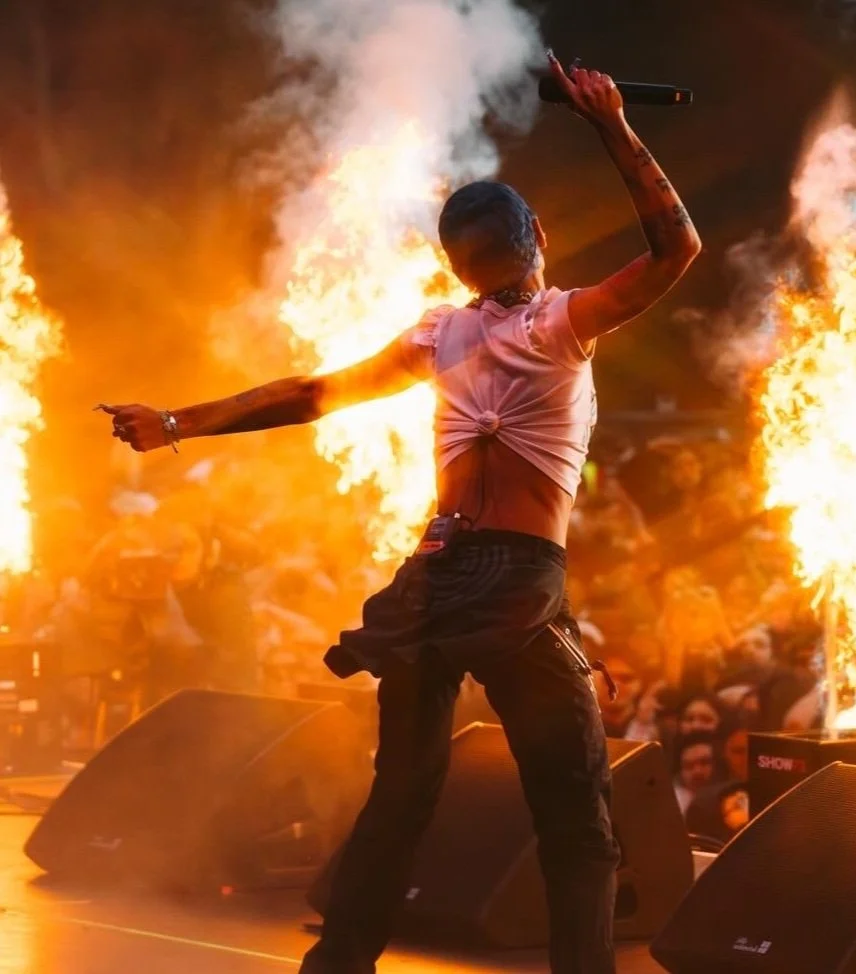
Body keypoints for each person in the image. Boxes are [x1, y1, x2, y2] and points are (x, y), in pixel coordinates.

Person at [99, 52, 701, 974]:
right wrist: (613, 123)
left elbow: (310, 394)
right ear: (539, 236)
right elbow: (677, 248)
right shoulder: (561, 325)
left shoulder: (437, 332)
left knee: (400, 801)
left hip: (431, 582)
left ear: (456, 265)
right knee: (578, 821)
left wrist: (177, 421)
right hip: (514, 588)